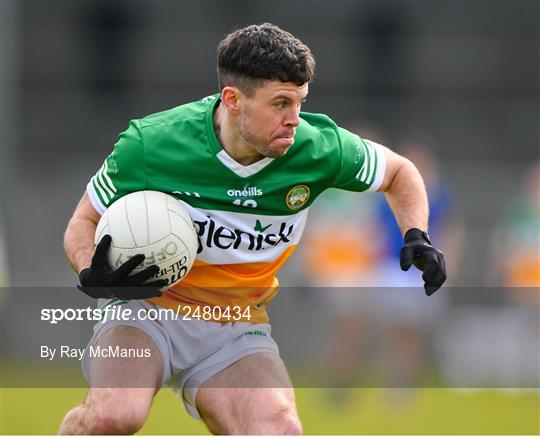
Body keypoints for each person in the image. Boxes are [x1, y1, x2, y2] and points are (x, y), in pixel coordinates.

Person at [59, 23, 446, 435]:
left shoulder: (318, 148)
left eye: (300, 102)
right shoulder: (150, 144)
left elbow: (400, 172)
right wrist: (91, 270)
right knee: (113, 416)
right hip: (146, 309)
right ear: (233, 100)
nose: (294, 120)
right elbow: (83, 223)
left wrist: (416, 235)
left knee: (279, 430)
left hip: (234, 323)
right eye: (280, 103)